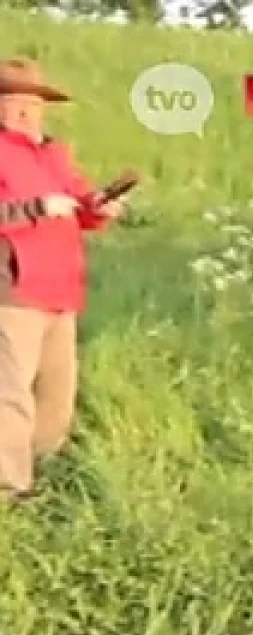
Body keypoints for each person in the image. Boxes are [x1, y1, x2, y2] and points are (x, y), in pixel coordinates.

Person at [0, 57, 122, 503]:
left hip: (61, 288)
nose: (23, 110)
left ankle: (36, 473)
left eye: (32, 102)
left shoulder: (55, 154)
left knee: (57, 397)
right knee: (9, 396)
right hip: (12, 289)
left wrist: (100, 208)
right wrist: (35, 209)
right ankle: (8, 489)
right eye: (11, 102)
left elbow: (77, 203)